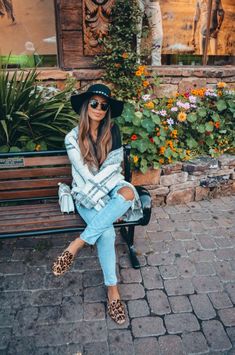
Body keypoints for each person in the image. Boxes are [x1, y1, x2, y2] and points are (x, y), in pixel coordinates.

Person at [52, 84, 143, 325]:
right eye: (94, 103)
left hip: (110, 183)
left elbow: (114, 168)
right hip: (85, 191)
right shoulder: (72, 137)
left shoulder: (113, 130)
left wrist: (110, 201)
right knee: (107, 232)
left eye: (104, 105)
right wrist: (108, 207)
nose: (99, 109)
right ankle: (113, 291)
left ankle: (78, 243)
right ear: (85, 106)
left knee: (127, 193)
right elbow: (83, 174)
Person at [136, 0, 163, 66]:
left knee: (158, 34)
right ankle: (136, 64)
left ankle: (156, 65)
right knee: (136, 32)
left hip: (152, 2)